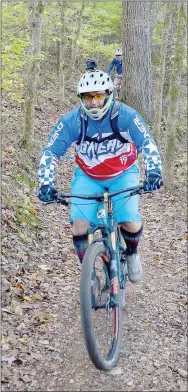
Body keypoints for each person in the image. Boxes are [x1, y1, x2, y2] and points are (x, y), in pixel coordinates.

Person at [38, 69, 163, 284]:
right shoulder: (72, 121)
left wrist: (154, 172)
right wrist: (45, 183)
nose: (94, 102)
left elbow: (147, 143)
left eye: (98, 96)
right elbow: (51, 152)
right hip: (88, 176)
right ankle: (89, 275)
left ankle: (132, 253)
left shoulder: (126, 115)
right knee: (79, 226)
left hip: (122, 174)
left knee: (129, 219)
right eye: (88, 97)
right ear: (81, 99)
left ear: (108, 94)